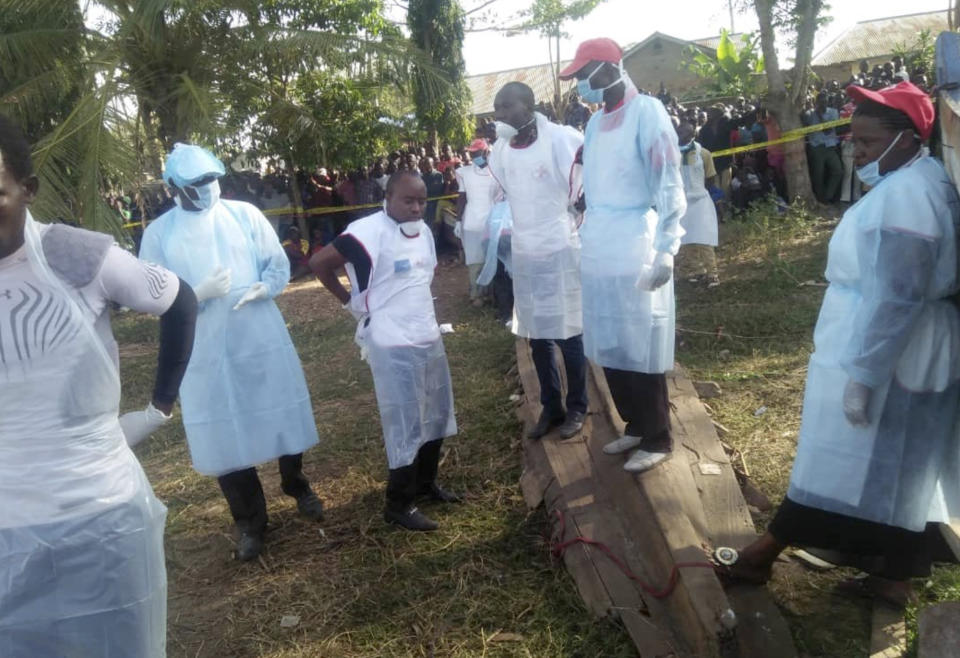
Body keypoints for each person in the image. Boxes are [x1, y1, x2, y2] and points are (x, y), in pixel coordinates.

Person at [715, 82, 960, 608]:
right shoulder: (915, 181)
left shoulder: (910, 197)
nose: (859, 152)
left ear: (908, 138)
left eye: (869, 142)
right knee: (900, 467)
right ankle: (894, 574)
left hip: (893, 351)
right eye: (855, 141)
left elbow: (899, 296)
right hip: (895, 345)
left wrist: (865, 375)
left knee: (840, 458)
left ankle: (764, 552)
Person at [0, 115, 197, 655]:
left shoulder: (77, 256)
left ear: (28, 190)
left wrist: (159, 406)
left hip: (99, 514)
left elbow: (179, 300)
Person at [140, 144, 324, 562]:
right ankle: (249, 521)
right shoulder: (159, 234)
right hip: (203, 345)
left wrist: (266, 286)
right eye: (196, 184)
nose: (207, 189)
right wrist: (194, 295)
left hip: (257, 332)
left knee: (280, 409)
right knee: (224, 429)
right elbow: (150, 293)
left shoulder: (244, 214)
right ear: (174, 188)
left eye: (211, 179)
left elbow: (275, 263)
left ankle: (296, 483)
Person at [559, 39, 686, 472]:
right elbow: (591, 184)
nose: (580, 84)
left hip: (634, 236)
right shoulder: (595, 124)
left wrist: (667, 247)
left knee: (639, 339)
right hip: (600, 241)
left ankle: (658, 435)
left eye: (582, 75)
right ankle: (633, 423)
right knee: (610, 340)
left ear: (608, 68)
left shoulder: (646, 112)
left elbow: (668, 178)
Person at [310, 171, 459, 532]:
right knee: (404, 422)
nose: (416, 207)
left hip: (425, 332)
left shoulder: (423, 232)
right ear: (388, 197)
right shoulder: (365, 233)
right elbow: (318, 265)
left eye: (422, 201)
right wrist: (353, 304)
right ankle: (399, 502)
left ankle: (425, 483)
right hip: (391, 341)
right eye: (408, 200)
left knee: (436, 412)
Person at [490, 81, 587, 440]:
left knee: (569, 331)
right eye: (496, 108)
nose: (498, 114)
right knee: (536, 335)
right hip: (526, 253)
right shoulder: (500, 151)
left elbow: (581, 193)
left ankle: (578, 406)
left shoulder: (559, 139)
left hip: (560, 247)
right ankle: (552, 406)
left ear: (528, 107)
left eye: (506, 106)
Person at [675, 119, 720, 287]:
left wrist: (701, 192)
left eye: (684, 132)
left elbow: (710, 178)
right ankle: (697, 271)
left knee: (703, 237)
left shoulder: (703, 154)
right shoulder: (673, 153)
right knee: (687, 238)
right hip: (682, 201)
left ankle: (712, 273)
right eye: (679, 132)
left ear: (693, 134)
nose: (680, 135)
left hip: (700, 201)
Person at [455, 138, 499, 306]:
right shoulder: (464, 172)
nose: (473, 156)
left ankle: (490, 293)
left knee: (491, 258)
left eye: (477, 153)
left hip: (491, 222)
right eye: (472, 153)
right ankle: (476, 294)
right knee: (474, 260)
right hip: (471, 222)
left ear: (487, 152)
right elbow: (462, 197)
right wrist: (458, 220)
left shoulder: (495, 173)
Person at [803, 92, 843, 203]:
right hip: (816, 148)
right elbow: (803, 126)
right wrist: (810, 110)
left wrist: (819, 115)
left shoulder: (833, 112)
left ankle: (828, 196)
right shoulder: (809, 114)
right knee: (818, 175)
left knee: (838, 171)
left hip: (830, 147)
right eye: (821, 102)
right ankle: (821, 200)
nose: (823, 104)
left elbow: (828, 130)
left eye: (825, 102)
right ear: (816, 103)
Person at [420, 157, 446, 234]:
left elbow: (438, 189)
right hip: (426, 204)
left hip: (436, 203)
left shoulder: (438, 175)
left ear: (433, 164)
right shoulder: (422, 177)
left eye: (429, 164)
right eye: (425, 164)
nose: (427, 166)